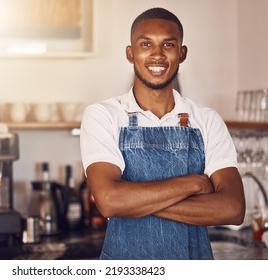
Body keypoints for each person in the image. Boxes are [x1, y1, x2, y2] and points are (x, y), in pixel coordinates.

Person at [79, 7, 245, 260]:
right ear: (130, 53)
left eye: (168, 44)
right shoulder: (103, 115)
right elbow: (110, 201)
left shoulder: (207, 120)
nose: (157, 55)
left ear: (182, 53)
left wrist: (135, 201)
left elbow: (232, 209)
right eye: (146, 44)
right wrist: (195, 183)